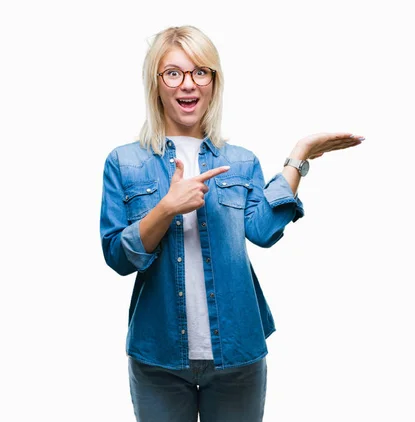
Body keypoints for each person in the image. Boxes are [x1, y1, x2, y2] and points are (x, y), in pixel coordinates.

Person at [100, 25, 364, 422]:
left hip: (237, 352)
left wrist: (298, 157)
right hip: (158, 356)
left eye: (200, 72)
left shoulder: (241, 161)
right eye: (173, 73)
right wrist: (166, 208)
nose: (187, 84)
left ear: (213, 82)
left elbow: (263, 232)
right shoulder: (124, 162)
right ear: (155, 83)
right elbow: (119, 257)